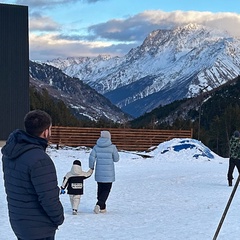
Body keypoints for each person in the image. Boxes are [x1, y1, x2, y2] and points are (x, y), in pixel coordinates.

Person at [1, 110, 64, 240]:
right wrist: (59, 218)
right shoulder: (40, 159)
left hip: (20, 223)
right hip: (39, 228)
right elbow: (48, 198)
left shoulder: (11, 153)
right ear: (46, 131)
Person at [89, 130, 119, 214]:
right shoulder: (112, 147)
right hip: (109, 173)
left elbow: (91, 158)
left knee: (100, 189)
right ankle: (99, 204)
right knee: (106, 189)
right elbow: (116, 159)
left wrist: (91, 167)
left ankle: (102, 207)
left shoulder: (96, 147)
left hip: (99, 172)